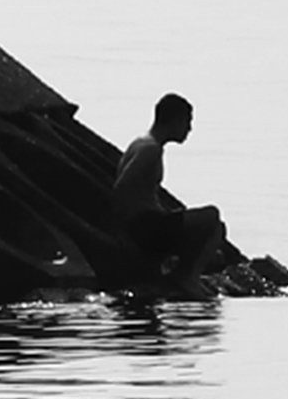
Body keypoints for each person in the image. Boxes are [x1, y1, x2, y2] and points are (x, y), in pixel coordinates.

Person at [104, 91, 246, 284]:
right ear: (174, 120)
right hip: (144, 228)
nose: (189, 129)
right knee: (212, 215)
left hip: (148, 223)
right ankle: (187, 278)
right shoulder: (150, 149)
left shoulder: (143, 143)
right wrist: (123, 233)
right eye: (187, 122)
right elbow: (121, 188)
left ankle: (180, 273)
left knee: (217, 229)